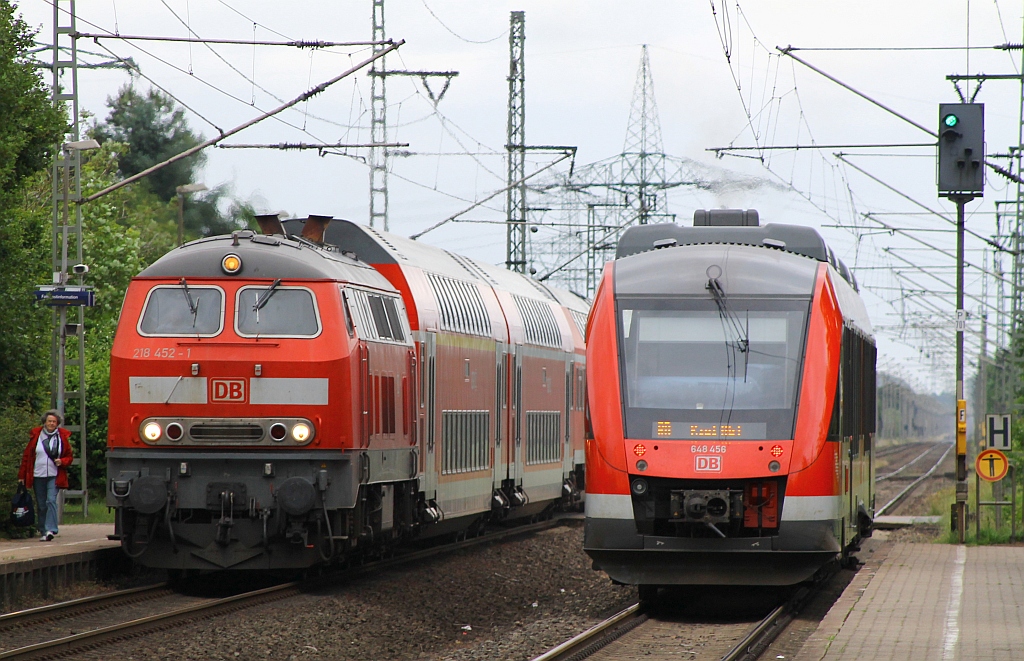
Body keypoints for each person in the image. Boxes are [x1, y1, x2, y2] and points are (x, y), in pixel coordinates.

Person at [17, 410, 74, 542]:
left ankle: (50, 529)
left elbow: (69, 457)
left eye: (54, 421)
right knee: (42, 504)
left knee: (51, 500)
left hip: (54, 474)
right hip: (38, 474)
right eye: (49, 421)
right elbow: (27, 457)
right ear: (45, 422)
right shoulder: (36, 437)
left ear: (57, 423)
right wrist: (22, 475)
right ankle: (43, 530)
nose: (51, 423)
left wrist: (62, 461)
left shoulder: (62, 438)